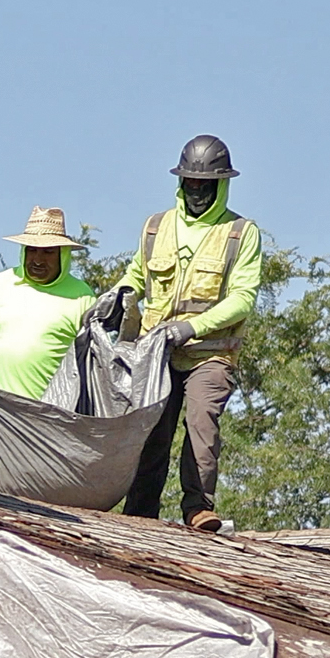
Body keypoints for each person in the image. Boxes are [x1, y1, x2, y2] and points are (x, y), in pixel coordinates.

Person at [119, 135, 264, 530]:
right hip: (157, 352)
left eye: (206, 185)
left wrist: (191, 327)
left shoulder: (240, 232)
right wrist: (119, 296)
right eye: (191, 183)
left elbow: (243, 298)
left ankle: (198, 507)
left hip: (210, 352)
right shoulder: (156, 227)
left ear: (222, 185)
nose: (197, 192)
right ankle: (140, 513)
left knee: (202, 425)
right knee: (151, 430)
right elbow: (137, 275)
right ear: (180, 182)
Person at [0, 207, 96, 400]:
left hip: (54, 414)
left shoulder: (82, 297)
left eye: (48, 252)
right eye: (32, 250)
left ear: (63, 254)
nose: (38, 259)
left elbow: (90, 366)